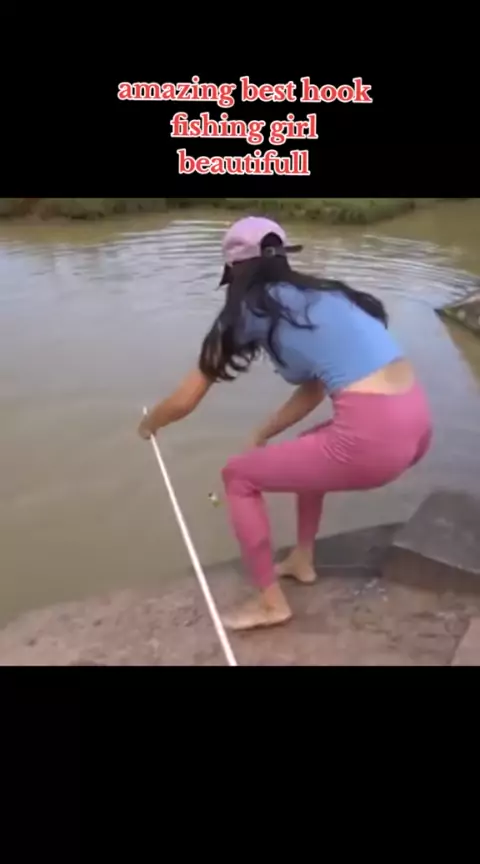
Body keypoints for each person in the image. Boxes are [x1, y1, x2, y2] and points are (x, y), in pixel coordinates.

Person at [138, 216, 432, 632]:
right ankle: (302, 559)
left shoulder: (249, 310)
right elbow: (314, 389)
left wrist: (149, 424)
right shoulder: (325, 294)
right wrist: (262, 434)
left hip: (374, 442)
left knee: (238, 476)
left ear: (235, 269)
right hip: (418, 425)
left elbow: (186, 399)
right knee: (309, 446)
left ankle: (270, 603)